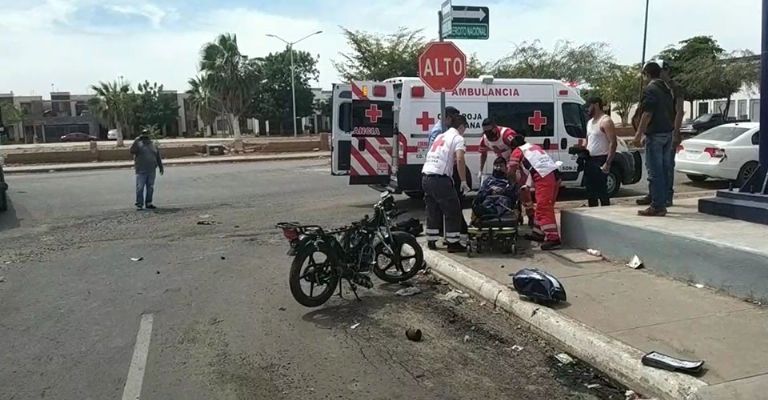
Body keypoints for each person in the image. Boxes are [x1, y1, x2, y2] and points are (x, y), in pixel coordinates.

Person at [636, 60, 685, 208]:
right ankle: (656, 197)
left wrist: (639, 133)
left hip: (661, 133)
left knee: (661, 169)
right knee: (657, 168)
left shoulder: (669, 88)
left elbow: (650, 113)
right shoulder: (666, 89)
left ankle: (660, 202)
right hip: (665, 132)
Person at [422, 115, 470, 253]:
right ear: (461, 126)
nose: (464, 131)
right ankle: (453, 243)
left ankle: (431, 239)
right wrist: (463, 181)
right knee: (453, 210)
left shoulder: (440, 136)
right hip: (440, 178)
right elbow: (460, 159)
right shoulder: (458, 138)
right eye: (465, 128)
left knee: (433, 209)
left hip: (426, 176)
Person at [507, 135, 562, 250]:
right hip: (553, 175)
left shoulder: (518, 151)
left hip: (544, 178)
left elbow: (511, 171)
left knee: (543, 208)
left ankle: (553, 239)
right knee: (543, 206)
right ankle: (538, 233)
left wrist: (511, 184)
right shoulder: (534, 147)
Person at [583, 96, 617, 207]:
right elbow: (587, 141)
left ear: (596, 105)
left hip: (601, 159)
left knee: (602, 191)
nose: (587, 109)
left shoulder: (605, 121)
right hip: (590, 160)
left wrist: (607, 163)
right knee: (590, 192)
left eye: (589, 106)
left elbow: (613, 143)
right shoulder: (590, 122)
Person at [474, 156, 519, 221]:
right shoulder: (488, 181)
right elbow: (480, 194)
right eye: (496, 166)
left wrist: (502, 191)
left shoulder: (509, 180)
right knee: (486, 203)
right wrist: (490, 191)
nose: (498, 168)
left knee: (502, 202)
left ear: (505, 168)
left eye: (501, 166)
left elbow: (514, 196)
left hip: (503, 198)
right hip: (489, 197)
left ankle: (491, 212)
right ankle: (486, 211)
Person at [130, 130, 164, 210]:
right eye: (144, 136)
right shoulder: (138, 144)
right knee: (140, 187)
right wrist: (136, 140)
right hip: (141, 170)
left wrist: (161, 167)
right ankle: (139, 203)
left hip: (151, 170)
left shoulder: (153, 144)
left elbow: (158, 156)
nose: (145, 137)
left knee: (150, 187)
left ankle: (149, 203)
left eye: (147, 135)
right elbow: (132, 151)